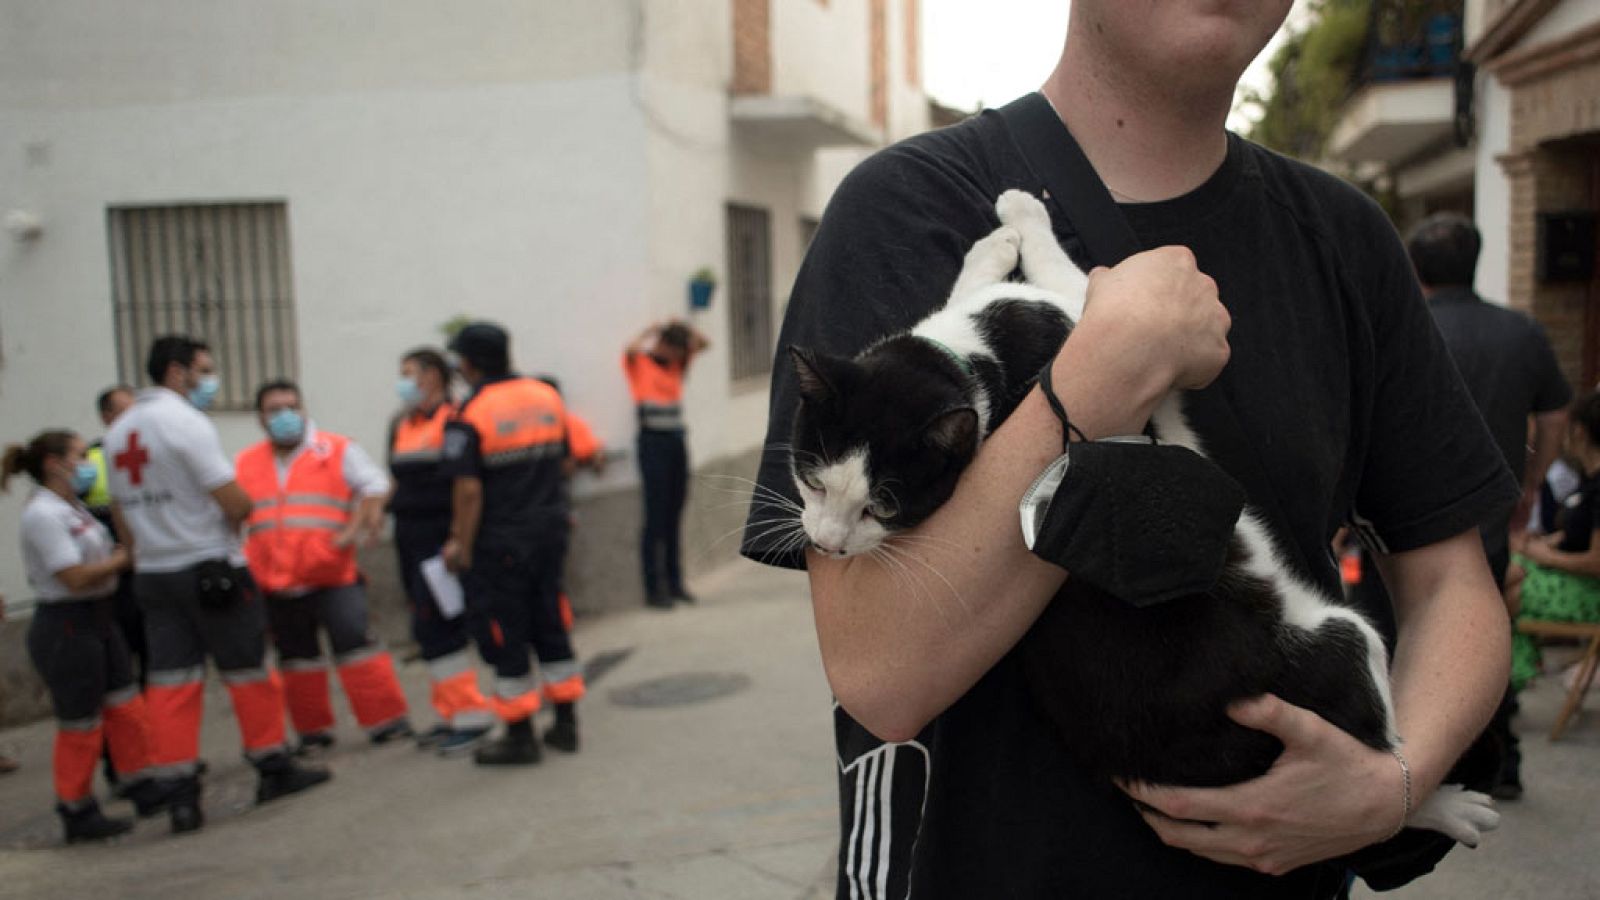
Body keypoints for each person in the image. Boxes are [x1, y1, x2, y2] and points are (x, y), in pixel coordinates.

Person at [740, 4, 1517, 896]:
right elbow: (879, 675)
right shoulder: (905, 207)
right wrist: (1100, 379)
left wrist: (1394, 787)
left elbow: (1454, 580)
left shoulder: (1344, 237)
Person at [1358, 212, 1572, 801]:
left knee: (1390, 631)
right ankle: (1496, 762)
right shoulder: (1521, 332)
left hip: (1388, 518)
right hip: (1488, 509)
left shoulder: (1399, 327)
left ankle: (1393, 759)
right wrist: (1530, 484)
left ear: (1416, 266)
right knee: (1483, 623)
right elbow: (1555, 414)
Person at [106, 335, 329, 834]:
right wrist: (234, 525)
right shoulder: (185, 422)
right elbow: (235, 502)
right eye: (204, 371)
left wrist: (147, 549)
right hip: (210, 570)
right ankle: (273, 767)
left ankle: (181, 795)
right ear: (177, 371)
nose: (209, 382)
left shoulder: (120, 431)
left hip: (153, 573)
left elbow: (120, 513)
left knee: (170, 683)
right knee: (248, 670)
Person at [5, 430, 169, 842]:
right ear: (54, 463)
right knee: (80, 722)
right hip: (67, 623)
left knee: (126, 707)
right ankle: (76, 808)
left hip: (98, 616)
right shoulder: (43, 515)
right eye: (81, 456)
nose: (89, 463)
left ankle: (141, 783)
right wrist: (120, 561)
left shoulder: (72, 507)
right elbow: (73, 577)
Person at [236, 380, 412, 752]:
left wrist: (356, 526)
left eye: (291, 407)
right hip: (277, 579)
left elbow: (377, 485)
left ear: (303, 409)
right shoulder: (247, 462)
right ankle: (312, 731)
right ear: (260, 417)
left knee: (355, 643)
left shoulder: (335, 449)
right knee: (298, 659)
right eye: (274, 410)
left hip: (332, 573)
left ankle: (386, 721)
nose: (285, 416)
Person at [441, 322, 585, 764]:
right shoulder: (546, 396)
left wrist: (460, 545)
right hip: (549, 532)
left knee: (507, 633)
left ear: (468, 363)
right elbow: (563, 462)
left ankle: (520, 733)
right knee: (551, 621)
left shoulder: (470, 413)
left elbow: (467, 491)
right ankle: (565, 723)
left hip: (501, 542)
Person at [389, 347, 494, 755]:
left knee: (441, 627)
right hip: (409, 538)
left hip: (437, 539)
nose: (402, 382)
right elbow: (400, 480)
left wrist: (456, 537)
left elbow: (463, 486)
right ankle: (448, 712)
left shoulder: (454, 420)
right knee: (424, 629)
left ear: (432, 376)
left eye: (408, 373)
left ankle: (471, 715)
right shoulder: (404, 424)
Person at [1508, 391, 1600, 691]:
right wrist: (1545, 543)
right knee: (1505, 571)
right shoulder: (1589, 479)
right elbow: (1579, 534)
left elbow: (1596, 561)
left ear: (1579, 431)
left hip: (1590, 595)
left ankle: (1511, 682)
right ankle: (1516, 676)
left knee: (1503, 587)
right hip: (1575, 583)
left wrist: (1541, 555)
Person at [624, 319, 708, 608]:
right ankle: (654, 588)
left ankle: (675, 583)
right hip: (652, 443)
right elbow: (630, 348)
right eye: (674, 350)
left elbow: (704, 342)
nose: (678, 357)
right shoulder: (640, 363)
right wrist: (652, 330)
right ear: (664, 346)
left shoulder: (676, 366)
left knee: (674, 513)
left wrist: (678, 323)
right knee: (655, 518)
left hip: (675, 442)